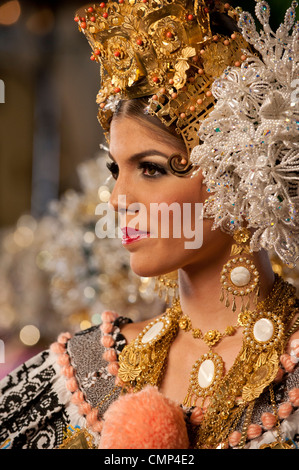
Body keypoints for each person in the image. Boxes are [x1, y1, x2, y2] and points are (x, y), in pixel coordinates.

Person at [1, 0, 299, 450]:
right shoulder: (81, 373)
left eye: (152, 168)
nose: (119, 200)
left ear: (239, 167)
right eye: (115, 169)